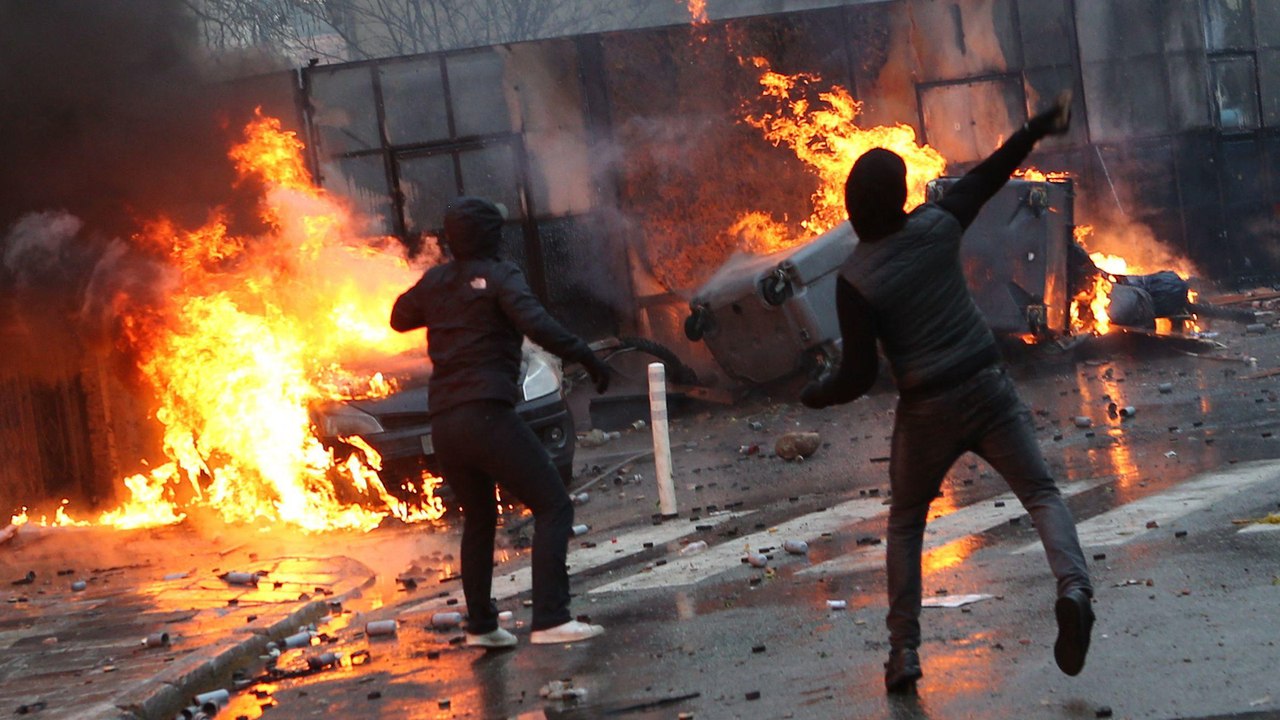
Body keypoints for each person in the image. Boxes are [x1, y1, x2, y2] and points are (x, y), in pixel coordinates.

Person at [801, 94, 1094, 692]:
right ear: (900, 198)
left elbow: (858, 376)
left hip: (926, 406)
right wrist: (1033, 128)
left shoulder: (855, 280)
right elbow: (988, 175)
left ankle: (904, 652)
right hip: (987, 384)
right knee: (1040, 493)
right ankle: (1074, 590)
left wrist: (818, 394)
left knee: (907, 522)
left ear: (853, 210)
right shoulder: (936, 226)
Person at [391, 196, 613, 648]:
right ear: (494, 237)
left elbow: (399, 317)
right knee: (553, 505)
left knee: (479, 517)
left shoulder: (436, 281)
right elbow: (538, 324)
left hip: (445, 423)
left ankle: (482, 626)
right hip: (487, 414)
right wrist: (587, 357)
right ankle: (551, 619)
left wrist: (445, 294)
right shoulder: (500, 275)